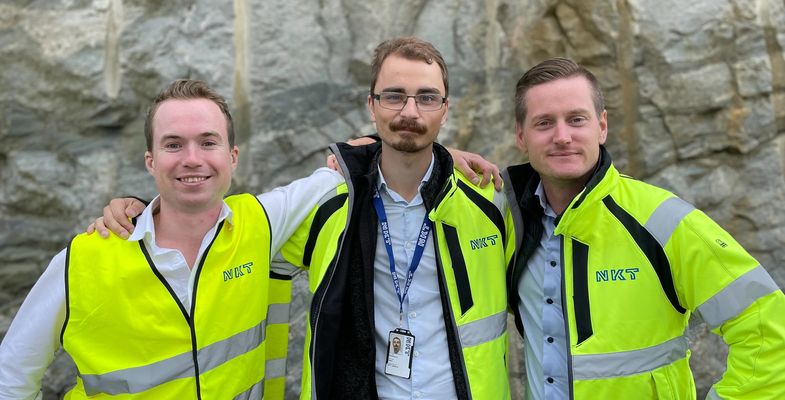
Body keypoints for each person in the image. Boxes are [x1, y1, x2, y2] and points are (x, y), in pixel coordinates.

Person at [91, 37, 512, 399]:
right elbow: (219, 225)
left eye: (427, 97)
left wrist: (438, 156)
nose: (410, 111)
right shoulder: (326, 201)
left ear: (445, 107)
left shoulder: (490, 202)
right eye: (394, 96)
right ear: (371, 105)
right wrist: (142, 208)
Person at [0, 80, 345, 399]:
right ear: (151, 161)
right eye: (174, 144)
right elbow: (12, 375)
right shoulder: (81, 261)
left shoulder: (260, 222)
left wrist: (354, 154)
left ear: (233, 157)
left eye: (208, 142)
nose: (192, 159)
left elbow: (333, 176)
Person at [502, 57, 785, 399]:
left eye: (577, 119)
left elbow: (769, 329)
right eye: (544, 123)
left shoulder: (663, 221)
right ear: (521, 135)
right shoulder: (509, 223)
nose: (562, 137)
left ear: (602, 126)